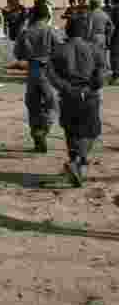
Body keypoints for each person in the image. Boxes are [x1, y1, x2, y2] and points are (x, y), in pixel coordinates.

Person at [46, 14, 106, 187]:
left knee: (70, 131)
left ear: (67, 30)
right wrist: (90, 88)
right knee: (92, 131)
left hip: (67, 97)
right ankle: (78, 160)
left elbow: (51, 74)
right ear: (85, 31)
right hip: (89, 96)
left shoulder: (58, 50)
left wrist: (66, 89)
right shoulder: (95, 49)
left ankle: (76, 164)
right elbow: (101, 74)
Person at [14, 1, 60, 154]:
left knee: (32, 104)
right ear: (47, 16)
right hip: (48, 71)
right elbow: (61, 52)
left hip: (32, 70)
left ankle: (36, 135)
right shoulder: (51, 31)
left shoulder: (25, 32)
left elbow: (18, 54)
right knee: (52, 103)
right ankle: (44, 128)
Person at [86, 0, 113, 74]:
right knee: (102, 54)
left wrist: (87, 38)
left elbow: (89, 27)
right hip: (102, 36)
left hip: (93, 36)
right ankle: (102, 71)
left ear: (92, 4)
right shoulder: (104, 14)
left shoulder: (90, 14)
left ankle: (94, 72)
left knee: (92, 55)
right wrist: (108, 36)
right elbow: (111, 26)